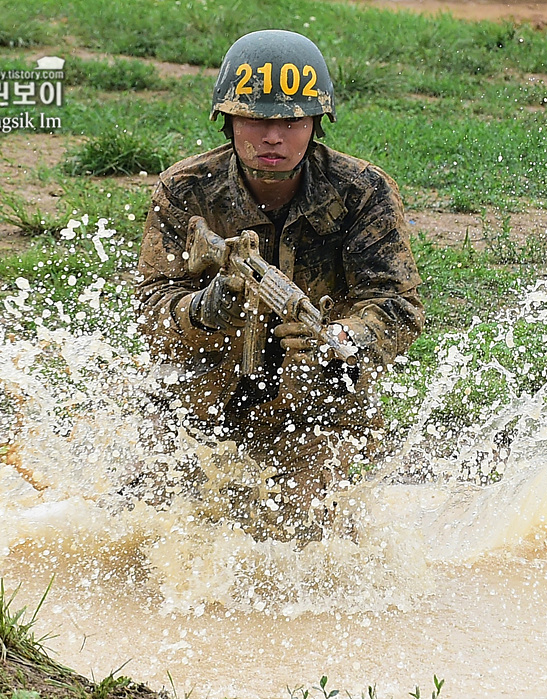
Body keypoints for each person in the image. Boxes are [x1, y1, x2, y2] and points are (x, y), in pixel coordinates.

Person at [135, 29, 423, 542]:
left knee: (309, 546)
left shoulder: (361, 193)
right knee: (159, 540)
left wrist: (336, 342)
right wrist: (207, 308)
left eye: (291, 121)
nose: (273, 137)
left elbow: (398, 307)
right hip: (198, 404)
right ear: (228, 121)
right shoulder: (184, 190)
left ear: (316, 123)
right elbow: (152, 307)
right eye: (257, 120)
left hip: (318, 407)